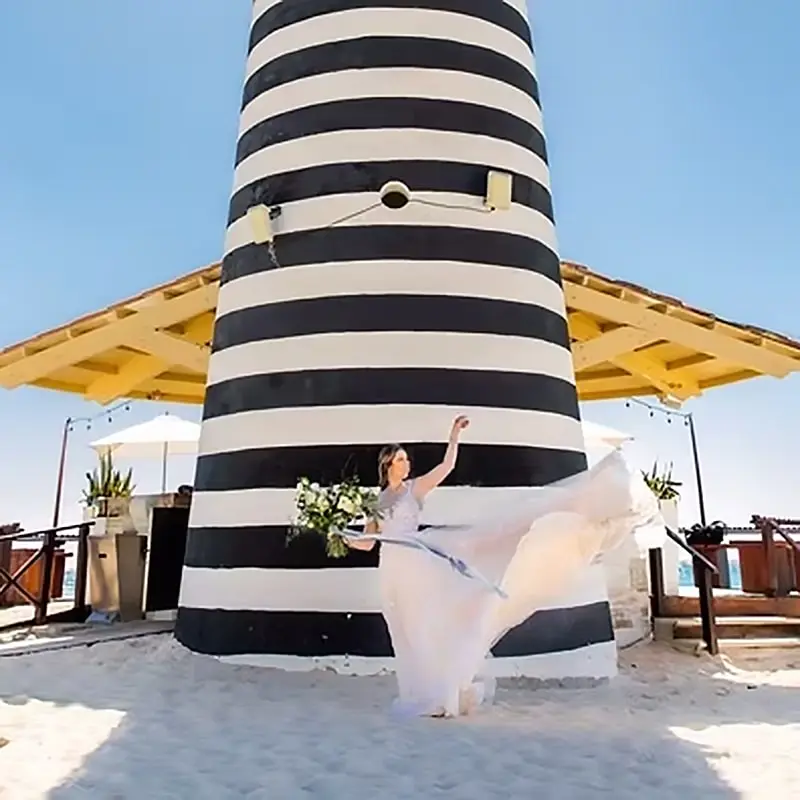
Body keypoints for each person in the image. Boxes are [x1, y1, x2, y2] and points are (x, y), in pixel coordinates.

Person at [348, 415, 664, 719]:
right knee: (402, 632)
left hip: (414, 565)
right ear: (387, 465)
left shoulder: (413, 489)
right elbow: (369, 541)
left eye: (406, 459)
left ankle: (443, 690)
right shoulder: (377, 502)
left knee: (426, 625)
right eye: (401, 460)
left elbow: (447, 467)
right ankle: (417, 691)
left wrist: (454, 435)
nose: (407, 464)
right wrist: (346, 537)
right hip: (389, 570)